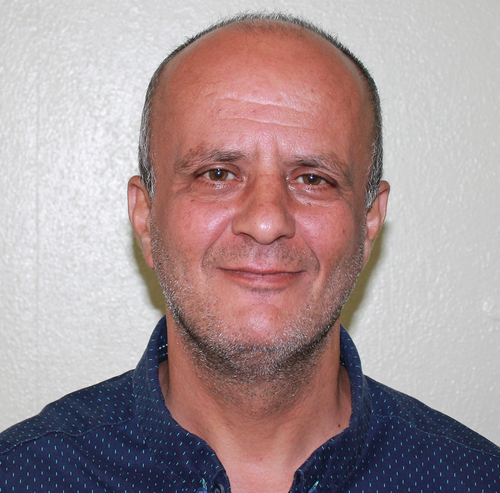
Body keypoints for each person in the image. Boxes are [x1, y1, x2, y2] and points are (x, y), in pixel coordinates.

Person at [0, 12, 498, 493]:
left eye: (312, 178)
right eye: (217, 174)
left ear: (369, 223)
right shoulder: (24, 477)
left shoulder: (474, 480)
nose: (265, 222)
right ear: (146, 218)